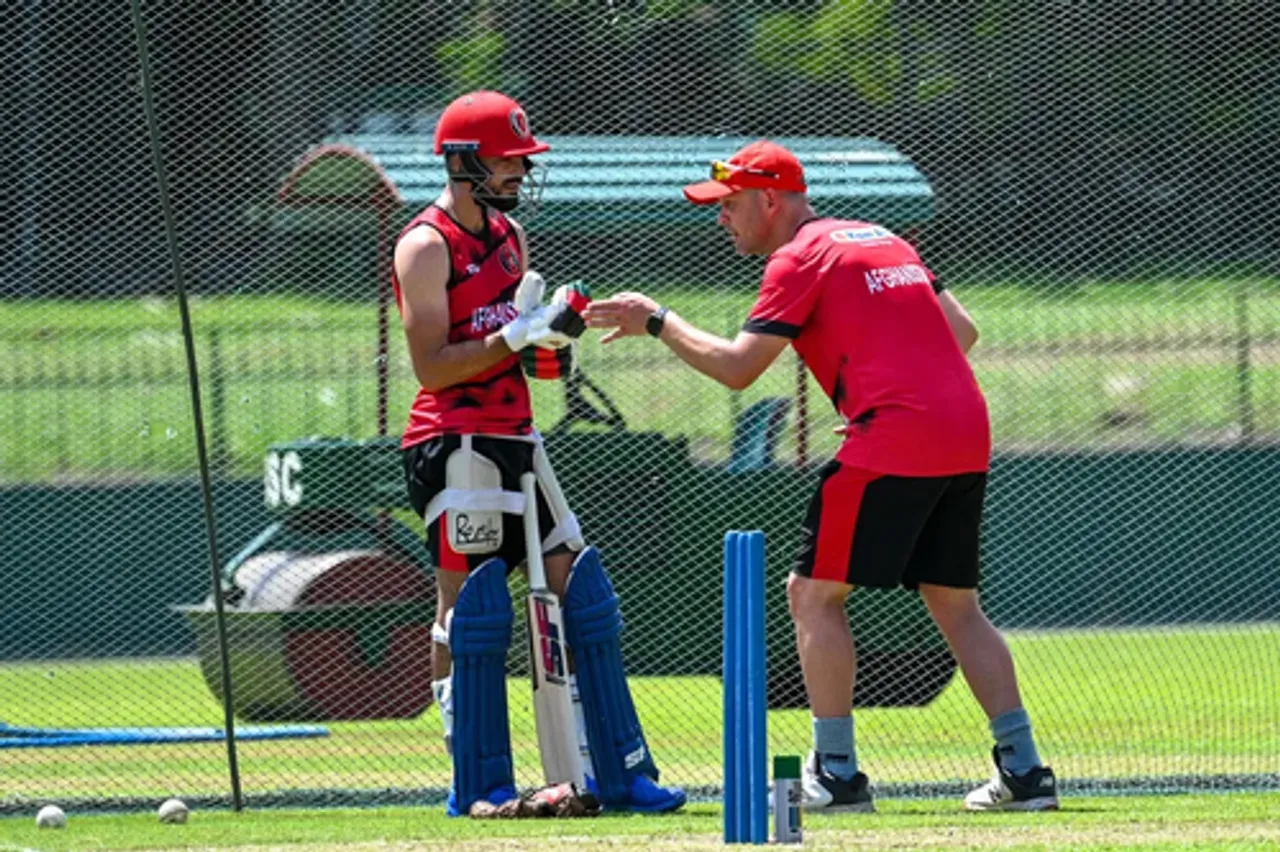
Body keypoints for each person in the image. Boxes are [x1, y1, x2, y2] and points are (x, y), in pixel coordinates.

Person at [582, 139, 1058, 813]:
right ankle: (1025, 770)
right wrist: (890, 387)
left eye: (730, 204)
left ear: (770, 200)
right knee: (955, 605)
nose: (721, 218)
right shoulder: (883, 238)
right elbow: (963, 332)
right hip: (964, 431)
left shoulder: (796, 256)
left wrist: (656, 321)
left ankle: (835, 775)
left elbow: (739, 369)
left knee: (811, 595)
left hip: (896, 435)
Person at [391, 89, 685, 816]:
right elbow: (433, 365)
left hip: (520, 437)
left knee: (584, 590)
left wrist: (551, 345)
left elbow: (522, 359)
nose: (520, 168)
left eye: (523, 156)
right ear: (463, 161)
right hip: (453, 441)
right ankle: (477, 780)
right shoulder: (425, 245)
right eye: (507, 156)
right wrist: (513, 337)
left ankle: (621, 772)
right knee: (474, 611)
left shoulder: (511, 236)